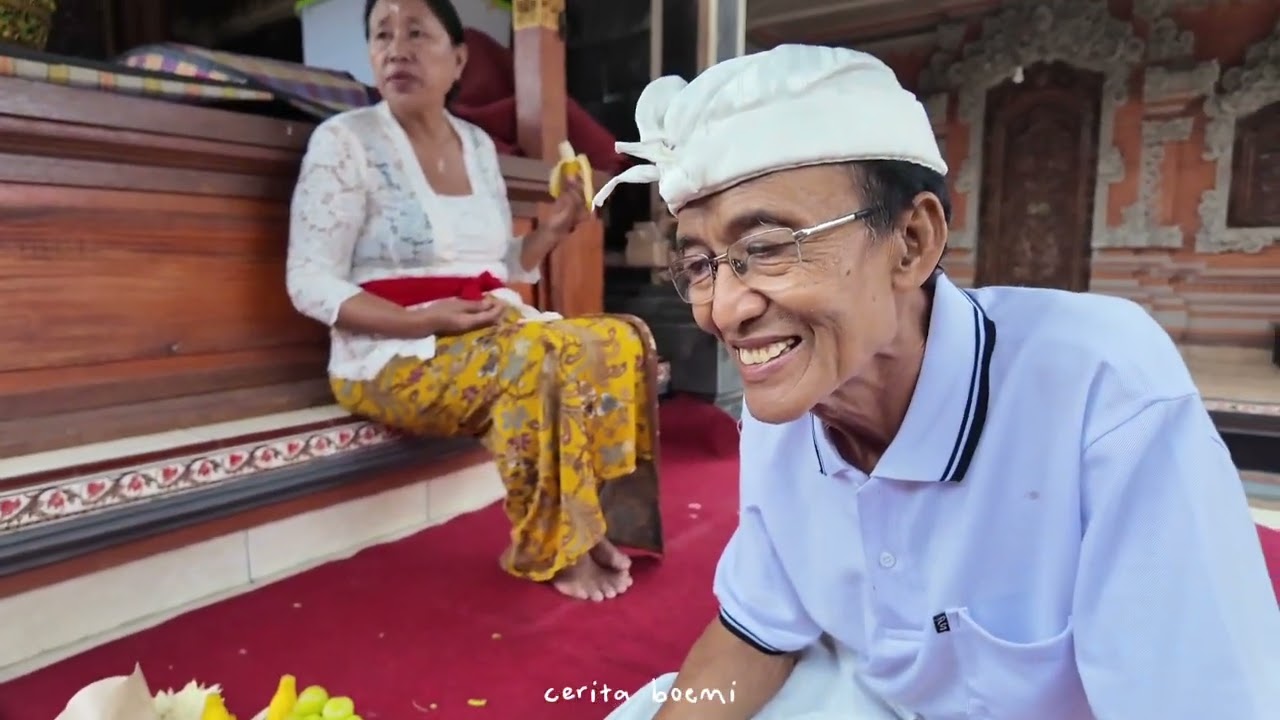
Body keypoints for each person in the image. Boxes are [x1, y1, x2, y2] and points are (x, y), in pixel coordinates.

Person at [592, 45, 1280, 719]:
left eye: (767, 249)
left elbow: (1197, 694)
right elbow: (758, 630)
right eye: (702, 266)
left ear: (913, 241)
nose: (724, 309)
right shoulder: (788, 408)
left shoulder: (1101, 390)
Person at [285, 0, 663, 602]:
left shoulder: (479, 146)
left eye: (416, 33)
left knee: (618, 337)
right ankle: (554, 549)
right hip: (386, 354)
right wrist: (420, 322)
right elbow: (309, 281)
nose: (397, 49)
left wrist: (554, 228)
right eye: (382, 35)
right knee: (539, 355)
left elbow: (500, 268)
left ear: (458, 58)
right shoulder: (344, 143)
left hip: (484, 329)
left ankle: (593, 523)